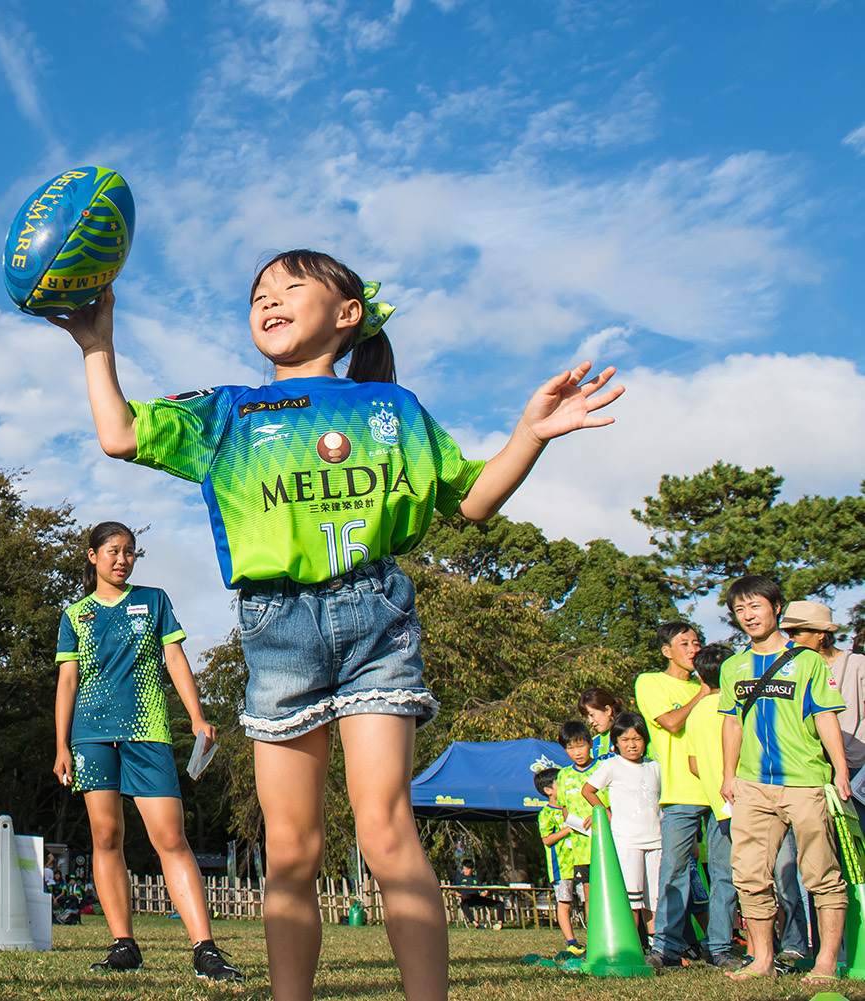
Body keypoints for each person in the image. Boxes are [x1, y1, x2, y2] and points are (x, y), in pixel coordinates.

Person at [52, 251, 621, 1001]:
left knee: (386, 829)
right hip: (276, 625)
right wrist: (97, 344)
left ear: (348, 314)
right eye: (259, 292)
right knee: (291, 848)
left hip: (374, 617)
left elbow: (474, 500)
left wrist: (531, 433)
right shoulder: (227, 411)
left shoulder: (391, 409)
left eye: (291, 286)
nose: (269, 299)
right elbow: (120, 434)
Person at [52, 521, 243, 982]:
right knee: (105, 837)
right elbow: (67, 681)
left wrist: (197, 717)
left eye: (130, 552)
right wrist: (60, 744)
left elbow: (175, 659)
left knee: (171, 838)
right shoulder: (75, 614)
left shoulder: (154, 600)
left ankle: (205, 949)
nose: (123, 559)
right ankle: (124, 946)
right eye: (113, 551)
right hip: (91, 737)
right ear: (93, 556)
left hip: (147, 731)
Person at [718, 575, 850, 985]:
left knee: (821, 873)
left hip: (805, 782)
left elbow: (826, 717)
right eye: (740, 610)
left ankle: (826, 961)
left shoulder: (808, 661)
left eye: (755, 606)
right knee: (748, 874)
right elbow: (731, 723)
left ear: (776, 608)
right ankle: (761, 959)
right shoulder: (732, 666)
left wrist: (841, 770)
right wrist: (728, 775)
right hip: (752, 785)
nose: (748, 615)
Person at [635, 621, 711, 968]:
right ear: (666, 651)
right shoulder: (651, 682)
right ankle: (666, 947)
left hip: (719, 791)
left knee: (724, 873)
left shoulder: (707, 684)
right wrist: (704, 693)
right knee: (674, 871)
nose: (694, 649)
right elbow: (671, 722)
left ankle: (720, 946)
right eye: (685, 644)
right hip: (680, 792)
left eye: (697, 642)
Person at [582, 713, 662, 947]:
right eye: (625, 740)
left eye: (637, 739)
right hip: (627, 841)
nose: (632, 745)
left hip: (657, 840)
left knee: (655, 898)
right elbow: (588, 790)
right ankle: (632, 946)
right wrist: (604, 812)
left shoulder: (655, 766)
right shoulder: (612, 765)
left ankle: (657, 947)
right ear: (616, 743)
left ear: (645, 740)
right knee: (632, 899)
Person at [685, 641, 742, 969]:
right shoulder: (736, 705)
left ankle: (718, 945)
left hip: (718, 808)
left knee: (722, 878)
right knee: (776, 873)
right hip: (751, 801)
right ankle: (787, 944)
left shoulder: (696, 713)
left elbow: (693, 764)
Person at [783, 600, 865, 780]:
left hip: (856, 766)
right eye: (788, 634)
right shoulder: (792, 670)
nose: (790, 640)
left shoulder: (857, 665)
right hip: (811, 767)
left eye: (796, 633)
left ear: (820, 634)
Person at [551, 721, 596, 952]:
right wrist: (572, 822)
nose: (576, 752)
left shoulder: (602, 768)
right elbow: (565, 809)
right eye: (570, 748)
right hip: (581, 848)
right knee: (589, 895)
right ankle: (596, 941)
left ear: (590, 743)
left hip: (606, 845)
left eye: (580, 746)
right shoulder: (564, 775)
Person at [535, 768, 580, 951]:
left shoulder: (573, 807)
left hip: (581, 862)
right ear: (548, 790)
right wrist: (568, 829)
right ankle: (571, 943)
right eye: (560, 783)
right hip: (561, 868)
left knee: (588, 900)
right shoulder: (546, 814)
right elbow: (547, 840)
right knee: (564, 903)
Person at [449, 860, 505, 928]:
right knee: (464, 905)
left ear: (472, 869)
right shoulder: (459, 878)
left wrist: (486, 892)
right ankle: (476, 924)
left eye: (467, 869)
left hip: (477, 897)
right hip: (466, 899)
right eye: (464, 869)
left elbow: (482, 890)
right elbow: (452, 889)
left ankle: (499, 924)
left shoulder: (475, 878)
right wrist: (460, 895)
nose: (465, 871)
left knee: (500, 904)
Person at [577, 688, 623, 761]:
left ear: (608, 710)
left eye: (592, 715)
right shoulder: (594, 743)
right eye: (587, 717)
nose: (590, 721)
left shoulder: (632, 732)